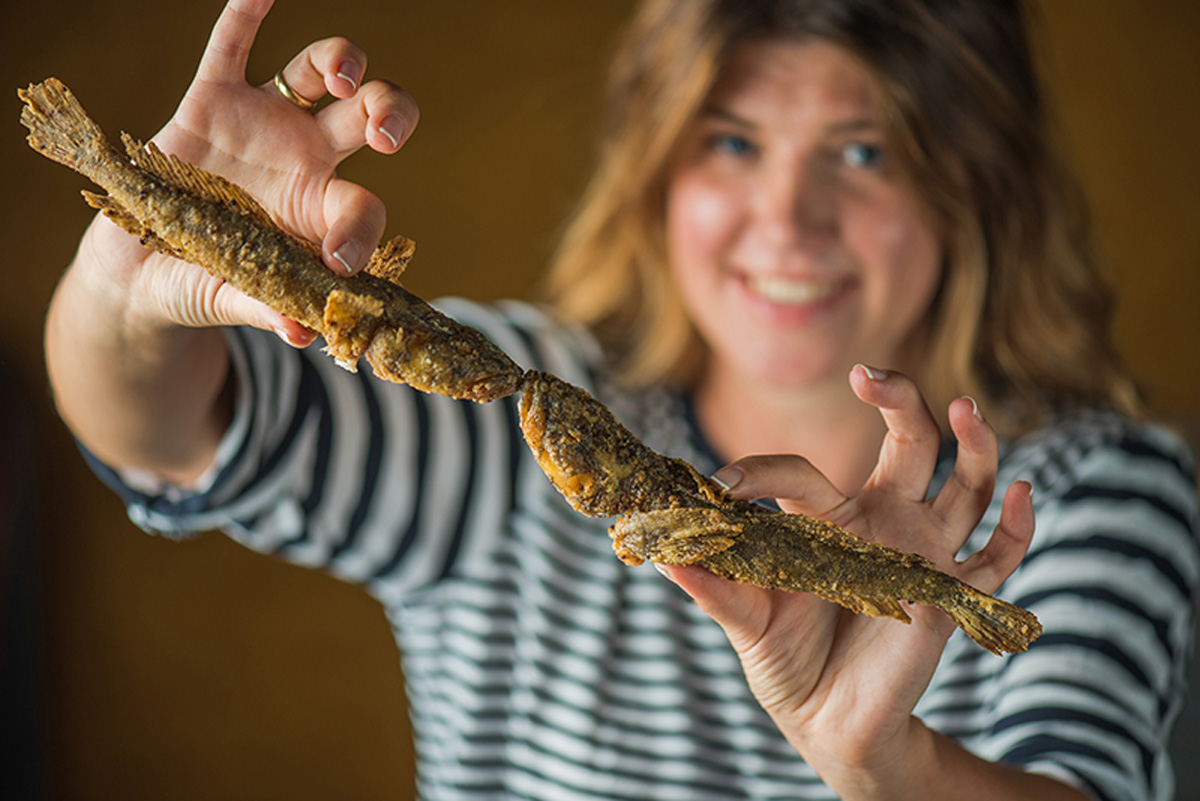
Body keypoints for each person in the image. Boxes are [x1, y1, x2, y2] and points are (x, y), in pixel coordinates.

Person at [43, 0, 1198, 798]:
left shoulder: (1077, 497)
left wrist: (887, 769)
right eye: (733, 142)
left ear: (975, 190)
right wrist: (135, 276)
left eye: (863, 154)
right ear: (657, 173)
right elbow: (162, 429)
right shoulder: (507, 422)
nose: (785, 221)